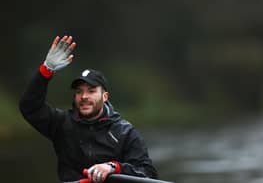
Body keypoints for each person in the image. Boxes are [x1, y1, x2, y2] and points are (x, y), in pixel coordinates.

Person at [19, 35, 158, 183]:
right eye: (79, 91)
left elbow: (147, 173)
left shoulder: (125, 132)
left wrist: (113, 167)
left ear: (105, 96)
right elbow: (29, 107)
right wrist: (46, 70)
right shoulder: (61, 123)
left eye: (91, 91)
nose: (84, 96)